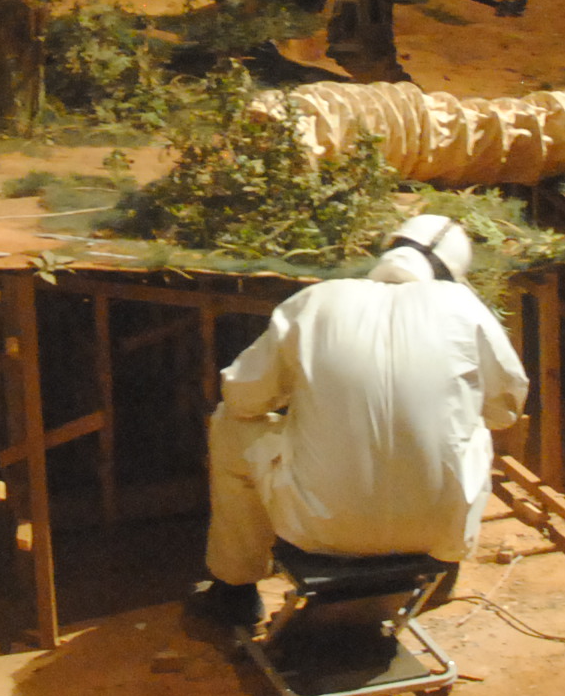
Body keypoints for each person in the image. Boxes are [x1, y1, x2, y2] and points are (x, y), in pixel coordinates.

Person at [191, 215, 528, 627]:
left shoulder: (316, 302)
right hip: (440, 532)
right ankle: (443, 564)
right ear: (450, 276)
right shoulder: (465, 308)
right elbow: (505, 409)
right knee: (476, 430)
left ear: (388, 250)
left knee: (229, 424)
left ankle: (235, 591)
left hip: (320, 529)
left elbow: (242, 397)